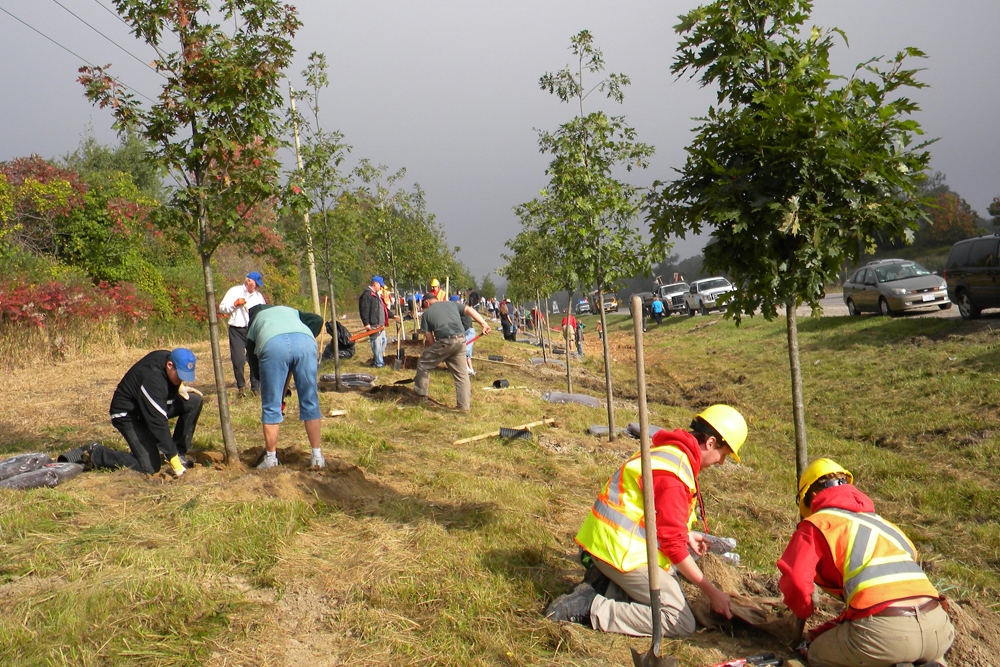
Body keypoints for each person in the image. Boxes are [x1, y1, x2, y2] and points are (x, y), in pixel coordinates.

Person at [546, 405, 748, 638]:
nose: (721, 463)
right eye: (723, 455)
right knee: (679, 620)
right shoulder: (674, 471)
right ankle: (589, 608)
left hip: (607, 544)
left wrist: (685, 534)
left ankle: (607, 587)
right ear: (711, 443)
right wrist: (712, 592)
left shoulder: (671, 454)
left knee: (669, 585)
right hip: (620, 553)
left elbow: (652, 512)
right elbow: (672, 546)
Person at [777, 459, 954, 667]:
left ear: (812, 497)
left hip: (887, 637)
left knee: (817, 654)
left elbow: (796, 579)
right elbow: (882, 599)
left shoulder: (818, 524)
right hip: (939, 631)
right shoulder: (887, 529)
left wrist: (803, 612)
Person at [87, 349, 203, 477]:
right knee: (149, 467)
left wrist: (179, 387)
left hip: (147, 407)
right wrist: (174, 461)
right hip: (128, 415)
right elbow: (158, 424)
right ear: (169, 365)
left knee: (194, 401)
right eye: (180, 375)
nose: (182, 379)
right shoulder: (152, 379)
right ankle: (97, 453)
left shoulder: (169, 358)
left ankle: (178, 452)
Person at [245, 305, 326, 470]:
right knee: (310, 399)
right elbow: (317, 320)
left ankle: (270, 459)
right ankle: (317, 456)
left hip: (273, 345)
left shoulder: (254, 324)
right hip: (305, 341)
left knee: (271, 405)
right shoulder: (290, 311)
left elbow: (255, 365)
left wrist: (271, 383)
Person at [415, 292, 491, 412]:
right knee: (462, 375)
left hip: (445, 341)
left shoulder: (427, 314)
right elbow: (470, 310)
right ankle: (464, 407)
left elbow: (429, 338)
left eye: (424, 305)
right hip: (461, 340)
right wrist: (484, 324)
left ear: (426, 302)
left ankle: (421, 396)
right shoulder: (452, 304)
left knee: (423, 363)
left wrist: (438, 352)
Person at [219, 271, 267, 397]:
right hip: (236, 330)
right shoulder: (234, 291)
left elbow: (264, 313)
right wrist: (235, 304)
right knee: (238, 360)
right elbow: (222, 308)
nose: (256, 287)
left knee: (254, 359)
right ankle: (241, 387)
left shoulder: (259, 297)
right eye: (255, 284)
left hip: (252, 330)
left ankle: (255, 388)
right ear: (249, 281)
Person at [359, 276, 388, 368]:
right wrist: (366, 323)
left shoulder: (376, 295)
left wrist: (392, 316)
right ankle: (379, 363)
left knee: (384, 341)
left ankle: (375, 360)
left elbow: (382, 309)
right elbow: (364, 310)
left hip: (380, 324)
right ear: (375, 284)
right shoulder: (367, 295)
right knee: (377, 345)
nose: (381, 287)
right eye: (380, 285)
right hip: (373, 324)